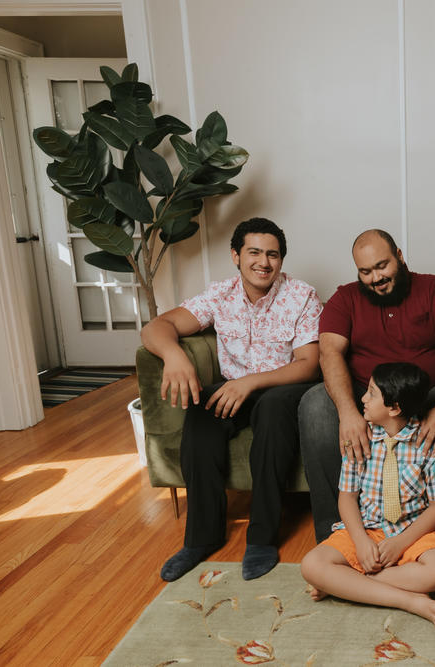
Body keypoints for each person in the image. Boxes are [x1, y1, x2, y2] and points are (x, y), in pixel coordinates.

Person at [142, 217, 322, 581]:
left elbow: (308, 365)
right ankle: (200, 539)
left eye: (273, 255)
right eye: (254, 252)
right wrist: (175, 356)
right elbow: (157, 327)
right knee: (202, 410)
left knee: (272, 411)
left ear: (281, 261)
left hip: (282, 389)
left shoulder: (301, 296)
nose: (264, 262)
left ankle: (262, 538)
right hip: (232, 388)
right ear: (235, 256)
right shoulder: (219, 295)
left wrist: (253, 383)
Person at [299, 229, 435, 582]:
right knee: (313, 405)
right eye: (365, 272)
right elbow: (329, 351)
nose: (376, 278)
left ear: (399, 255)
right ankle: (335, 538)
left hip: (426, 390)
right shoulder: (346, 298)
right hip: (368, 395)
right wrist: (348, 413)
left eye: (382, 266)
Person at [302, 362, 435, 631]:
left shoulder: (427, 443)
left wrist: (400, 543)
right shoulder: (359, 438)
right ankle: (407, 600)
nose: (363, 398)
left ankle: (347, 584)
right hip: (368, 529)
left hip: (413, 533)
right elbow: (347, 499)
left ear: (394, 407)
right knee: (311, 565)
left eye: (371, 393)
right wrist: (361, 543)